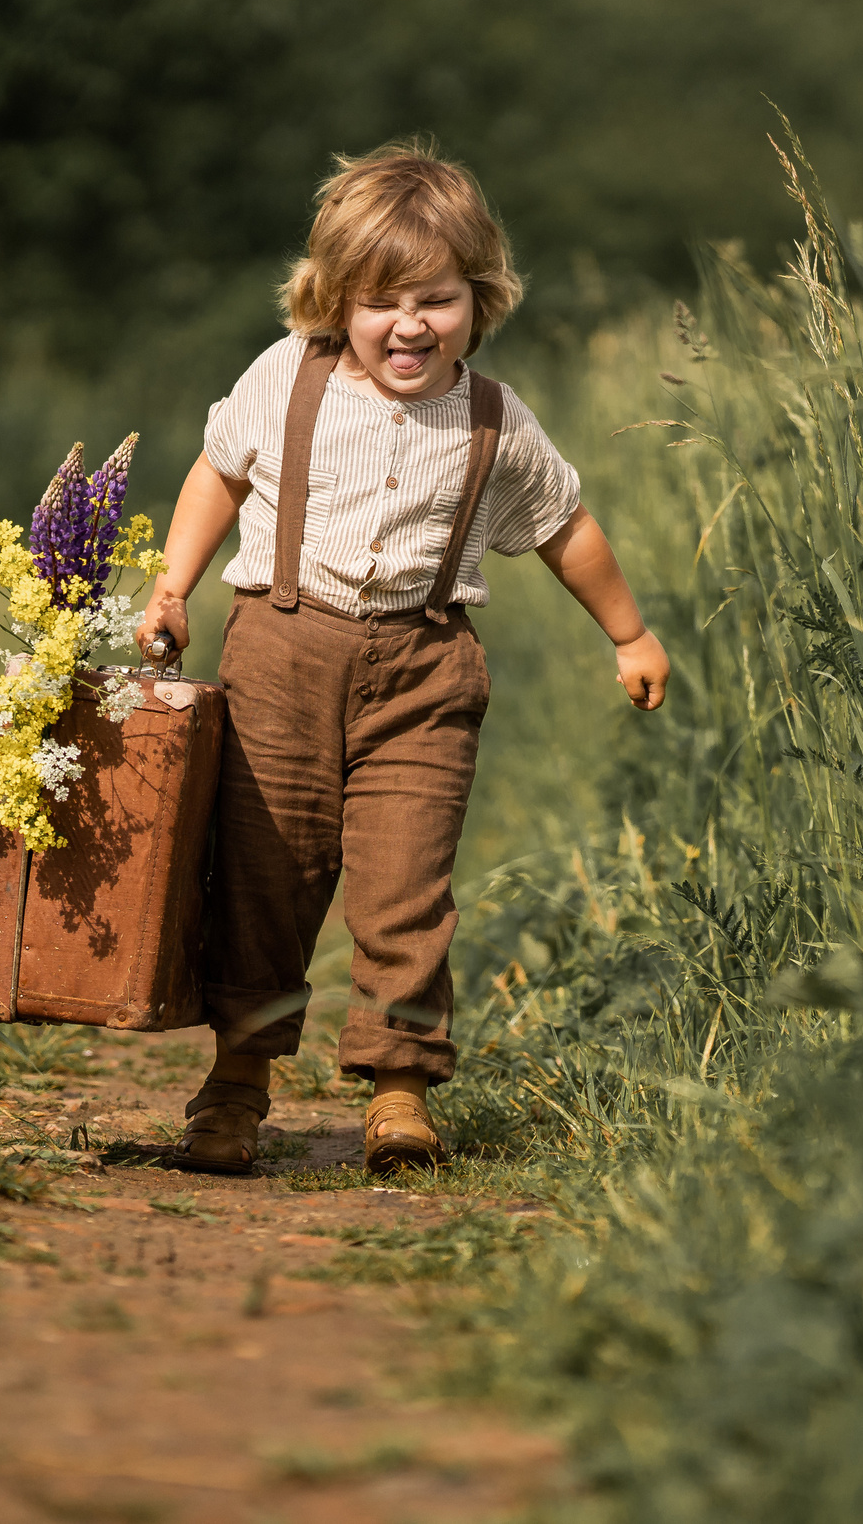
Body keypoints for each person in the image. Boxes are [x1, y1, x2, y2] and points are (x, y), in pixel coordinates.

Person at [134, 143, 669, 1176]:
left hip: (424, 678)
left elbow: (566, 526)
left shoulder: (493, 420)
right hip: (278, 660)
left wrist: (629, 632)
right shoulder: (286, 376)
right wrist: (172, 584)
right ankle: (237, 1082)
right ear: (335, 301)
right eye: (382, 303)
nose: (410, 325)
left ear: (479, 297)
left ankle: (399, 1089)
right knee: (265, 876)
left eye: (435, 299)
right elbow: (217, 475)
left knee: (407, 886)